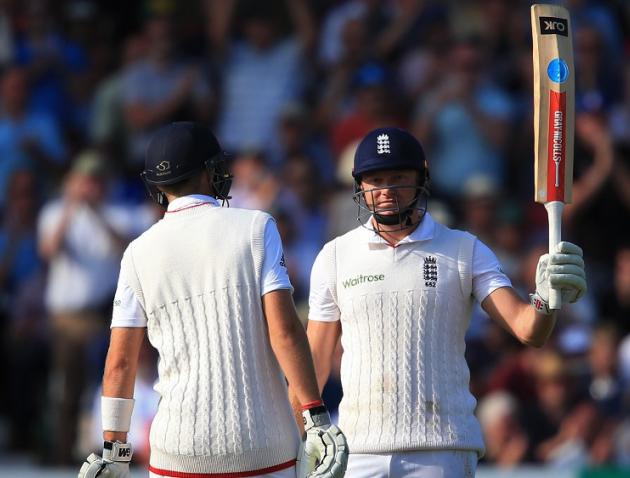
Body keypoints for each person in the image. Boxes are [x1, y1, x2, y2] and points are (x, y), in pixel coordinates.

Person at [305, 127, 587, 477]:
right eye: (375, 179)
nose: (386, 190)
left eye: (398, 177)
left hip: (442, 449)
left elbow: (529, 329)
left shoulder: (464, 249)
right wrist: (302, 434)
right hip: (359, 450)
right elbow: (314, 361)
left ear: (421, 177)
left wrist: (546, 299)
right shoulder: (335, 256)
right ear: (360, 186)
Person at [79, 122, 347, 478]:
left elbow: (120, 364)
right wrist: (315, 418)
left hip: (175, 455)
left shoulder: (136, 253)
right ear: (209, 172)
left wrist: (114, 450)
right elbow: (283, 331)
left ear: (158, 185)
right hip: (262, 450)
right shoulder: (256, 227)